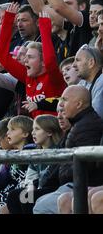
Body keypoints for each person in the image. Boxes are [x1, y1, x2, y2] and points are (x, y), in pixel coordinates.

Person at [33, 85, 103, 214]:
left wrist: (63, 171)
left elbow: (86, 165)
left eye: (65, 100)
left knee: (39, 205)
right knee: (24, 198)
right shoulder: (80, 123)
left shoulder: (87, 126)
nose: (61, 105)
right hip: (72, 184)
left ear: (79, 104)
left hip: (81, 183)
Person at [0, 4, 66, 117]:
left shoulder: (54, 77)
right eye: (26, 57)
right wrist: (8, 19)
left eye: (30, 57)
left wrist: (44, 27)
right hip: (38, 130)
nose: (25, 61)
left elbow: (49, 60)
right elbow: (2, 56)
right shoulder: (28, 77)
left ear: (42, 62)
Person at [6, 115, 63, 214]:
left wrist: (34, 187)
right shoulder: (36, 153)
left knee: (28, 197)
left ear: (49, 132)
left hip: (53, 188)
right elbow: (30, 177)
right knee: (14, 196)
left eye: (37, 129)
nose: (33, 133)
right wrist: (30, 186)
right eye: (32, 129)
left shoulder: (58, 152)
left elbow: (54, 179)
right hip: (38, 187)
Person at [74, 45, 103, 118]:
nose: (73, 65)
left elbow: (96, 116)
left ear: (91, 63)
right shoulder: (82, 83)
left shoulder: (101, 82)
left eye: (78, 60)